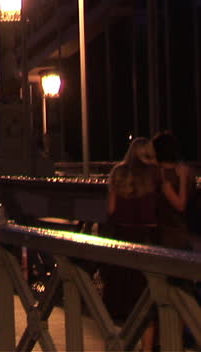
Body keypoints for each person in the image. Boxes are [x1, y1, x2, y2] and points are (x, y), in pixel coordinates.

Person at [103, 138, 165, 351]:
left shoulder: (118, 172)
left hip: (123, 237)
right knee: (147, 297)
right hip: (147, 237)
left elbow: (111, 210)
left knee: (123, 298)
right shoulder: (154, 174)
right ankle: (147, 347)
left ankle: (120, 344)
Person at [152, 131, 192, 249]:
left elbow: (180, 205)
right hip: (183, 232)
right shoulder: (185, 171)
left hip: (167, 234)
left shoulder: (159, 175)